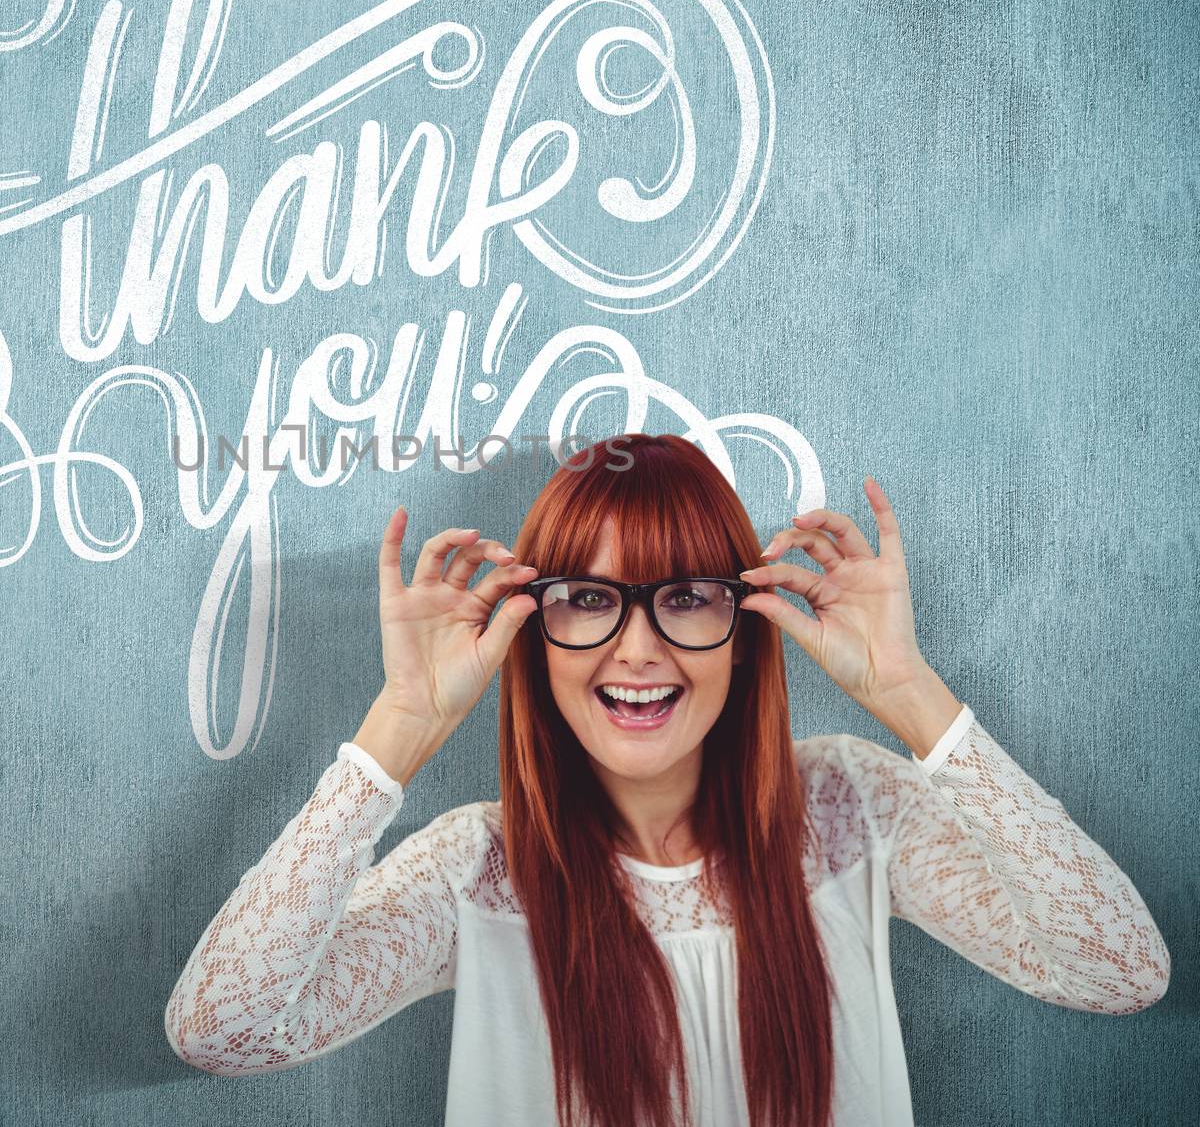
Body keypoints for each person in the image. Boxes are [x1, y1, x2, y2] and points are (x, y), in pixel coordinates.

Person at [164, 434, 1170, 1127]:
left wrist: (910, 694)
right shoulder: (478, 874)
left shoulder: (848, 814)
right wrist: (396, 734)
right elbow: (221, 1029)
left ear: (745, 628)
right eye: (589, 598)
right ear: (532, 630)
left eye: (686, 597)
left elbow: (1120, 971)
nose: (636, 649)